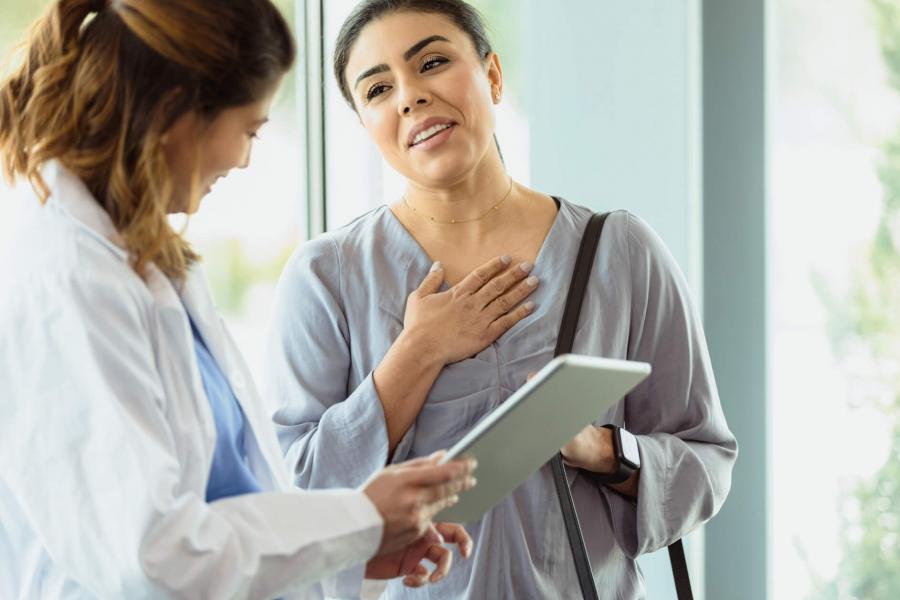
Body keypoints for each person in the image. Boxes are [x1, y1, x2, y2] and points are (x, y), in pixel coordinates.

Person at [0, 0, 498, 597]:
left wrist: (353, 548)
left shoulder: (144, 264)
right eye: (249, 129)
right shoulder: (65, 280)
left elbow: (228, 501)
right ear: (178, 111)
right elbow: (153, 558)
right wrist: (361, 521)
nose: (243, 159)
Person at [267, 0, 739, 598]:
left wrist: (603, 449)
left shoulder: (619, 251)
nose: (410, 97)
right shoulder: (326, 276)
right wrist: (418, 351)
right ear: (366, 123)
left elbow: (706, 462)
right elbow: (295, 501)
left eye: (432, 62)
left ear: (491, 75)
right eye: (378, 89)